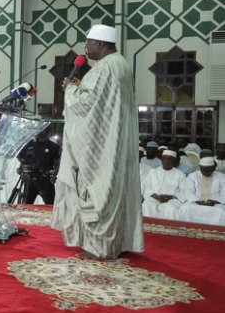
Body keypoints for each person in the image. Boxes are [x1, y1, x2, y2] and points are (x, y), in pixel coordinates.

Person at [52, 24, 144, 259]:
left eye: (88, 43)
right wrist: (79, 87)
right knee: (114, 191)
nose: (85, 48)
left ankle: (100, 247)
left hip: (100, 148)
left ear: (101, 44)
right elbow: (102, 103)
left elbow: (86, 106)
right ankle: (117, 242)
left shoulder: (104, 68)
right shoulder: (120, 64)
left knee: (96, 190)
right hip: (115, 142)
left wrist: (70, 90)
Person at [177, 156, 225, 225]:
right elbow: (188, 192)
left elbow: (224, 194)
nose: (207, 173)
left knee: (221, 211)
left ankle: (215, 232)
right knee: (185, 208)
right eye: (204, 171)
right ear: (200, 167)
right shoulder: (193, 176)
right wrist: (198, 200)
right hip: (196, 201)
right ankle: (186, 229)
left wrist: (215, 201)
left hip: (215, 204)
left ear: (214, 168)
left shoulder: (222, 177)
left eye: (209, 171)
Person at [140, 150, 185, 221]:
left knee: (172, 208)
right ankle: (149, 227)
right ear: (161, 159)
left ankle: (169, 228)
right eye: (165, 158)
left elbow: (184, 191)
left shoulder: (180, 175)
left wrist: (171, 197)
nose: (167, 161)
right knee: (147, 204)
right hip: (154, 197)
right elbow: (146, 187)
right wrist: (156, 196)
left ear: (174, 161)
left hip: (172, 200)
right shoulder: (153, 172)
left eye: (170, 158)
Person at [20, 130, 60, 204]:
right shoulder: (29, 145)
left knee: (51, 207)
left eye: (43, 129)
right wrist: (21, 168)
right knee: (26, 207)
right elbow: (25, 160)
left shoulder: (53, 146)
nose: (40, 131)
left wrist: (54, 174)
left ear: (47, 131)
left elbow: (57, 165)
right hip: (30, 182)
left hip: (46, 182)